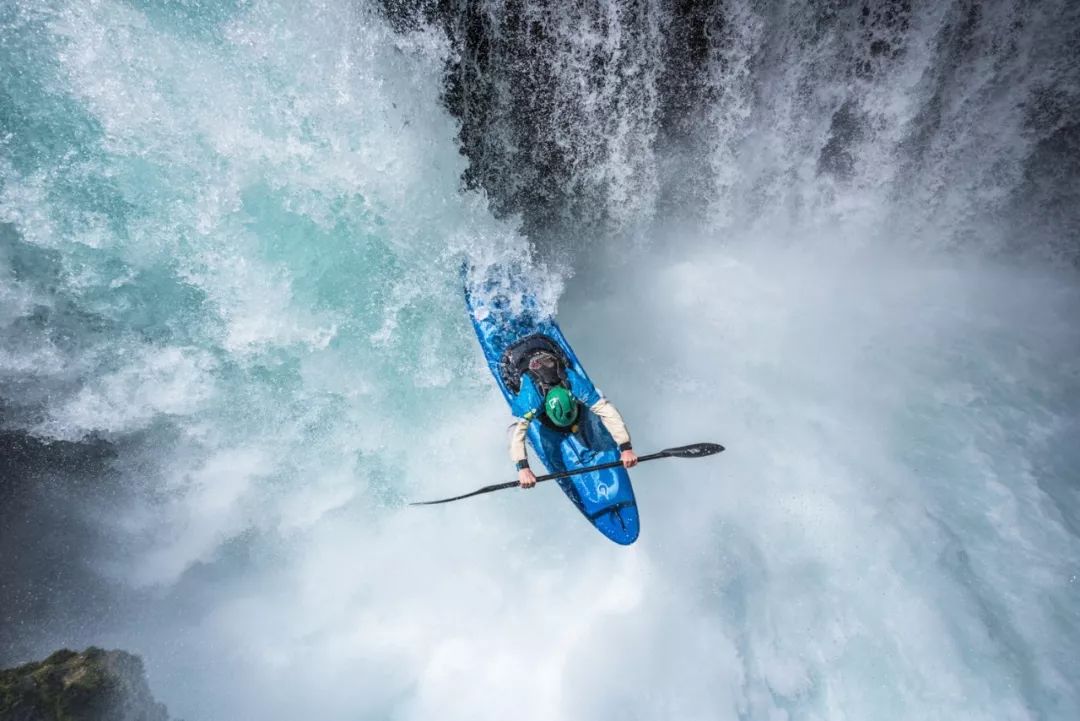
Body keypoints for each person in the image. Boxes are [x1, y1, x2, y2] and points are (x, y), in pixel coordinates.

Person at [508, 347, 638, 488]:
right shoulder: (530, 399)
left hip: (544, 348)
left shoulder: (574, 383)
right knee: (515, 425)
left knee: (597, 398)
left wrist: (626, 448)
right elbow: (517, 433)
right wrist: (523, 468)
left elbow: (607, 410)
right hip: (518, 360)